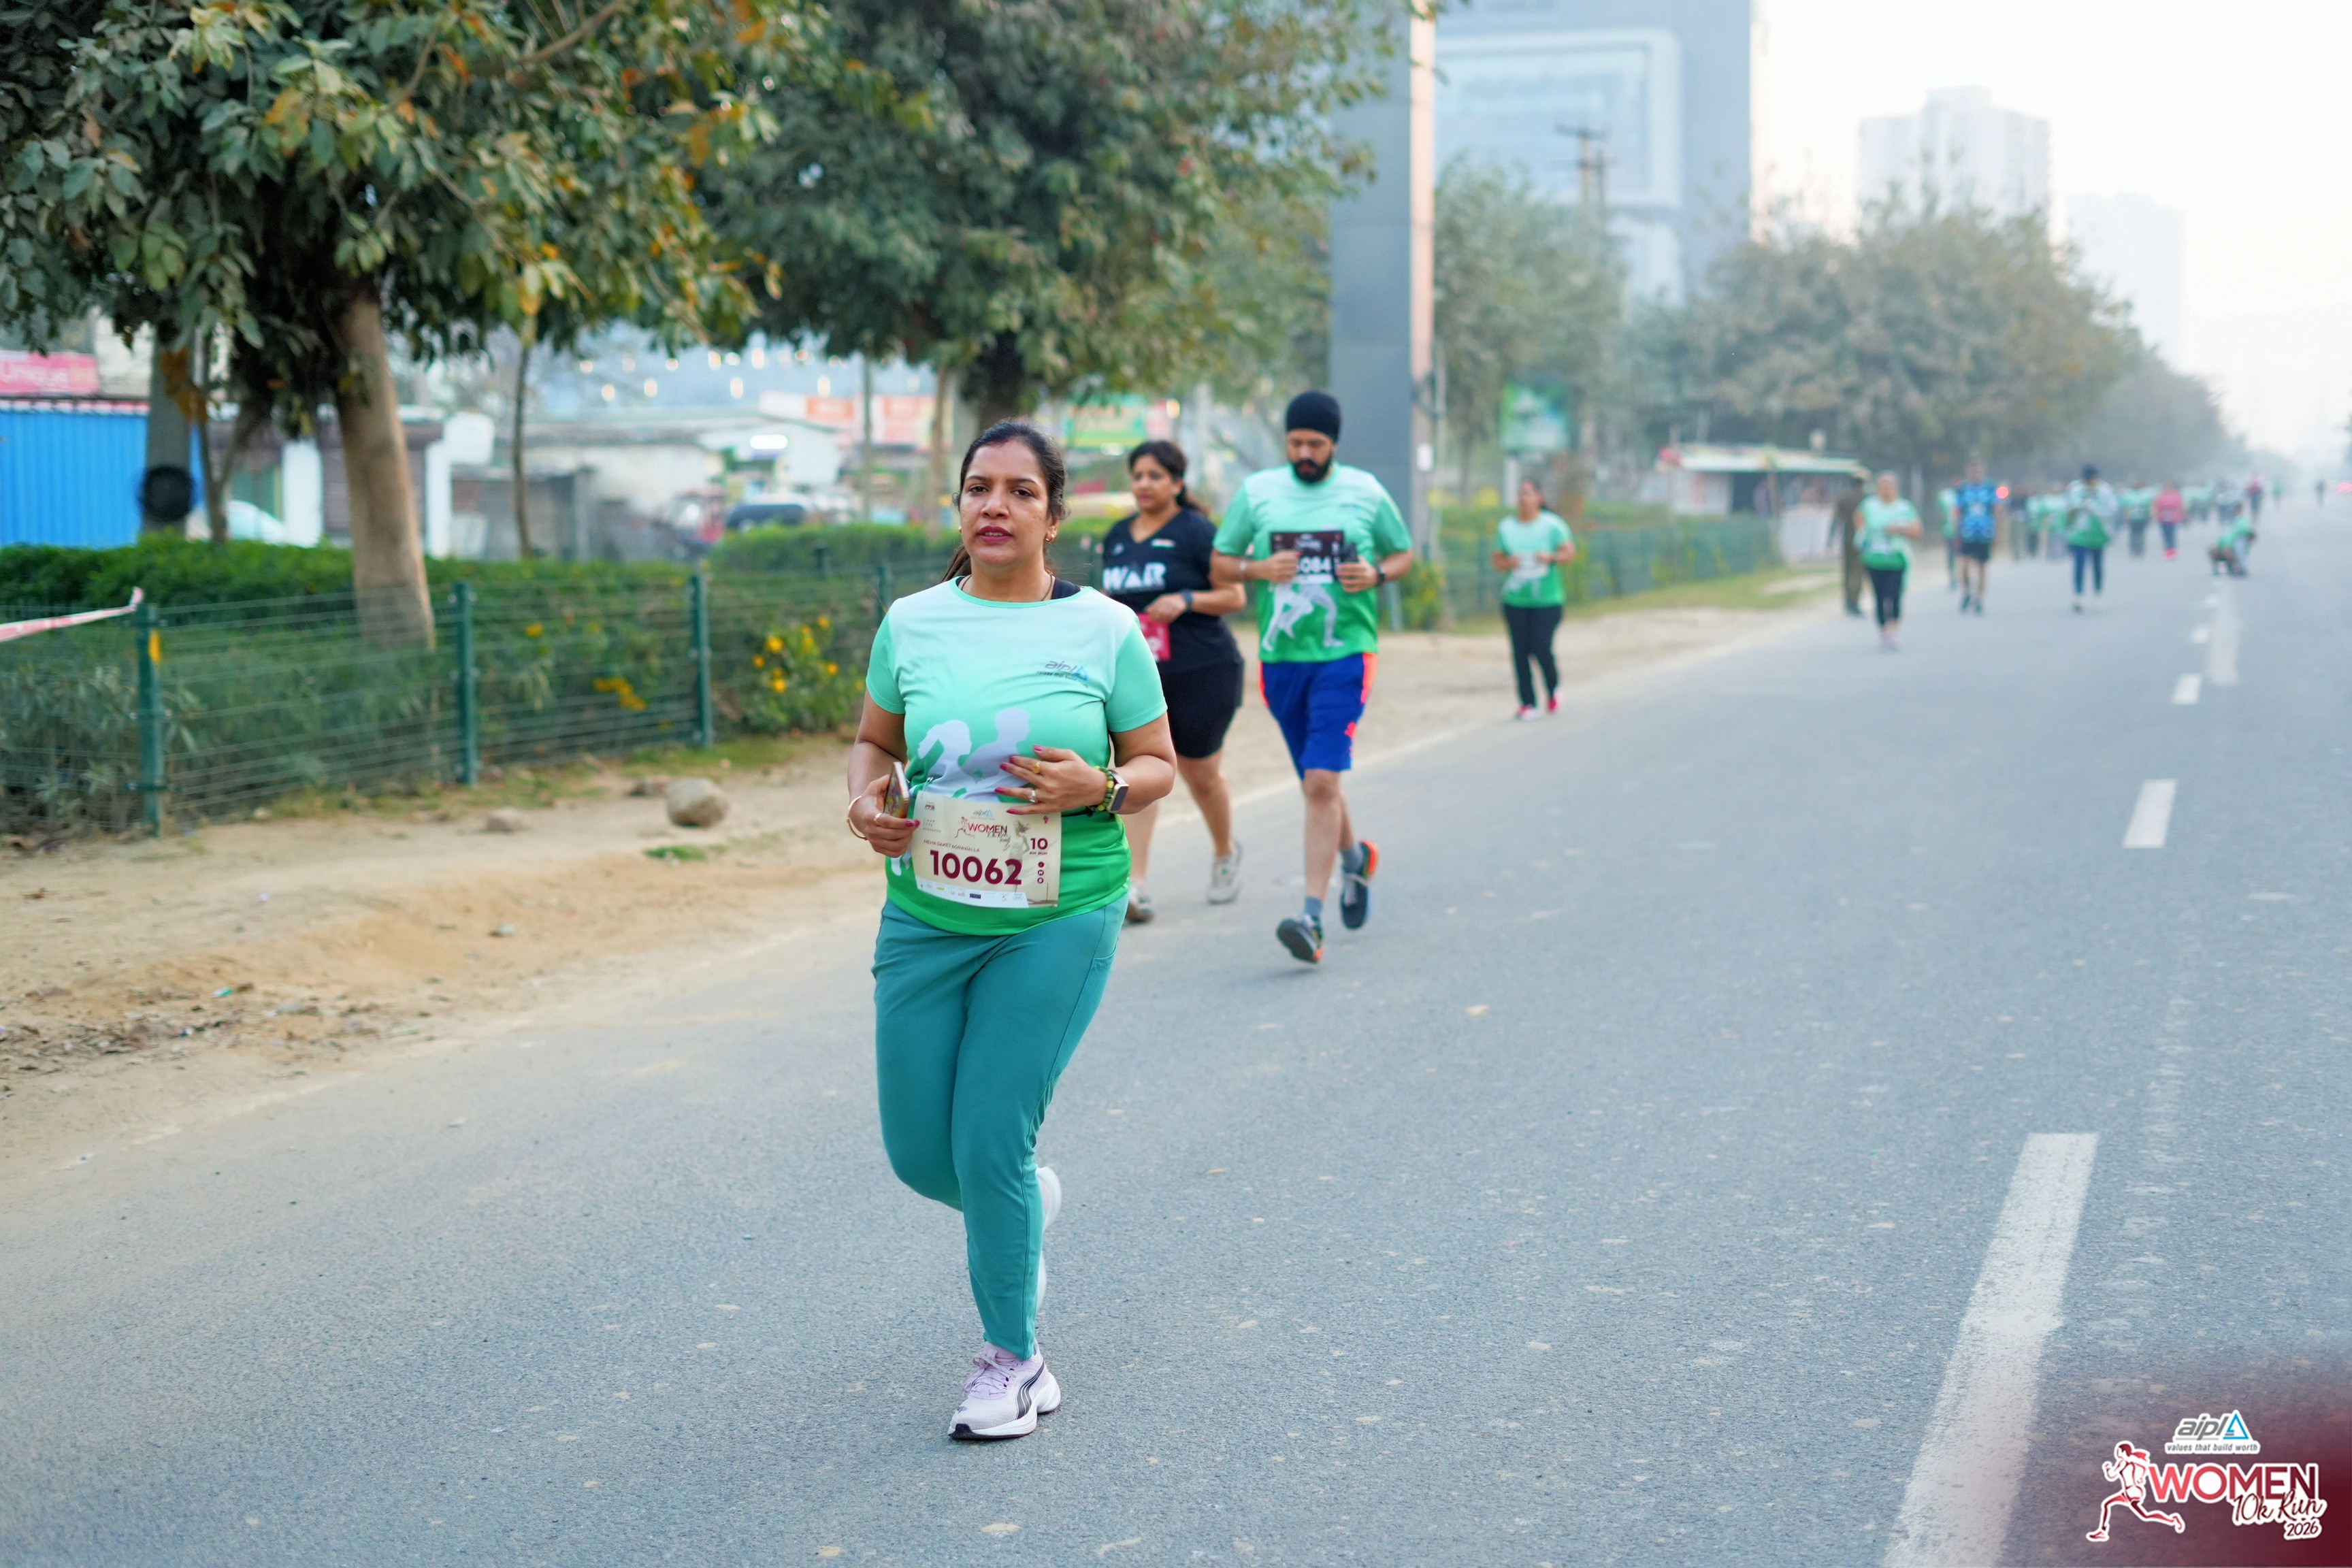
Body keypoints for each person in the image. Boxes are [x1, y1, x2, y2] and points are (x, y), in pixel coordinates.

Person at [845, 421, 1178, 1441]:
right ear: (958, 506)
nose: (995, 505)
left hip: (1057, 914)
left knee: (991, 1133)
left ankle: (1014, 1363)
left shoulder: (1105, 630)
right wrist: (866, 802)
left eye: (1020, 491)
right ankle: (1022, 1203)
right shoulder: (912, 622)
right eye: (978, 487)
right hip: (927, 914)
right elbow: (873, 743)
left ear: (1054, 514)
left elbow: (1158, 763)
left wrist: (1101, 786)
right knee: (919, 1154)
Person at [1211, 391, 1414, 966]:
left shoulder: (1365, 492)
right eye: (1296, 443)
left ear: (1334, 445)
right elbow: (1221, 562)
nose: (1304, 453)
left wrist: (1375, 575)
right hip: (1281, 659)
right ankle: (1355, 860)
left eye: (1316, 445)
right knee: (1315, 781)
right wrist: (1257, 568)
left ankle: (1311, 918)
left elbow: (1403, 554)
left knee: (1322, 780)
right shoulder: (1258, 492)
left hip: (1345, 654)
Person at [1098, 440, 1247, 923]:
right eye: (1138, 475)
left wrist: (1185, 600)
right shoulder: (1117, 537)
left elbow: (1234, 596)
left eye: (1155, 476)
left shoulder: (1197, 531)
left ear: (1177, 483)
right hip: (1141, 679)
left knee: (1200, 775)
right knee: (1140, 775)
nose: (1144, 484)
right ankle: (1136, 886)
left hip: (1202, 670)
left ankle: (1226, 852)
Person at [1490, 477, 1578, 718]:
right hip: (1516, 600)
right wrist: (1510, 562)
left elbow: (1569, 553)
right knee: (1520, 651)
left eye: (1529, 493)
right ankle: (1528, 703)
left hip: (1547, 600)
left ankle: (1553, 687)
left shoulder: (1553, 526)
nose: (1523, 498)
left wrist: (1550, 558)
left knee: (1541, 647)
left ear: (1540, 497)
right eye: (1521, 493)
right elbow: (1497, 560)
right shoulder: (1507, 527)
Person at [1856, 471, 1921, 651]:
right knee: (1879, 597)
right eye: (1882, 487)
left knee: (1894, 595)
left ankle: (1893, 630)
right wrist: (1862, 540)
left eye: (1889, 487)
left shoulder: (1904, 507)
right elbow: (1859, 524)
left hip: (1897, 558)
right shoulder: (1869, 506)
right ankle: (1883, 631)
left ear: (1895, 488)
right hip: (1874, 559)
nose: (1886, 490)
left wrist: (1900, 529)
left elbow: (1917, 531)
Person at [2065, 466, 2119, 611]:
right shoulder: (2075, 489)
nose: (2089, 482)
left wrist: (2095, 510)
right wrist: (2077, 508)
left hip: (2098, 532)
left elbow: (2112, 510)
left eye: (2091, 480)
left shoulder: (2105, 490)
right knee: (2079, 565)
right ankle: (2078, 596)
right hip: (2079, 533)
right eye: (2086, 480)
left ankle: (2098, 594)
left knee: (2097, 565)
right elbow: (2068, 507)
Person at [1951, 459, 1999, 614]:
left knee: (1982, 566)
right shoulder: (1962, 489)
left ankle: (1980, 598)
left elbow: (1996, 510)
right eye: (1973, 470)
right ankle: (1967, 591)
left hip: (1985, 532)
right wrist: (1957, 532)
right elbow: (1958, 512)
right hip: (1967, 532)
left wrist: (1997, 533)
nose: (1976, 473)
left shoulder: (1990, 487)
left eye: (1978, 470)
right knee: (1964, 564)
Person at [1830, 478, 1865, 615]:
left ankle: (1847, 600)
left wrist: (1831, 538)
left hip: (1847, 537)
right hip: (1862, 538)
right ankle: (1854, 601)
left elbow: (1836, 519)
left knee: (1847, 570)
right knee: (1857, 571)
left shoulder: (1843, 497)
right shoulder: (1866, 498)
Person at [2210, 511, 2255, 576]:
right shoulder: (2237, 537)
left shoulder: (2244, 543)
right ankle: (2223, 568)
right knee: (2217, 551)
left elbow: (2243, 555)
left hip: (2231, 555)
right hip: (2226, 553)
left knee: (2226, 552)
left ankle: (2234, 568)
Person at [2153, 482, 2184, 559]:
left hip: (2173, 518)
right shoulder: (2160, 496)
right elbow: (2156, 506)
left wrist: (2182, 514)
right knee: (2165, 535)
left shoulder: (2176, 495)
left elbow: (2181, 506)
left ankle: (2172, 550)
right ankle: (2167, 549)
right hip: (2162, 518)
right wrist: (2155, 515)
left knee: (2172, 534)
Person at [2123, 483, 2153, 557]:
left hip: (2143, 519)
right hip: (2132, 519)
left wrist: (2150, 515)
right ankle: (2133, 549)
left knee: (2141, 534)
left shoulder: (2145, 495)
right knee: (2133, 534)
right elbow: (2127, 507)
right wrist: (2126, 516)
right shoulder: (2130, 495)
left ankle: (2140, 549)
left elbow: (2149, 507)